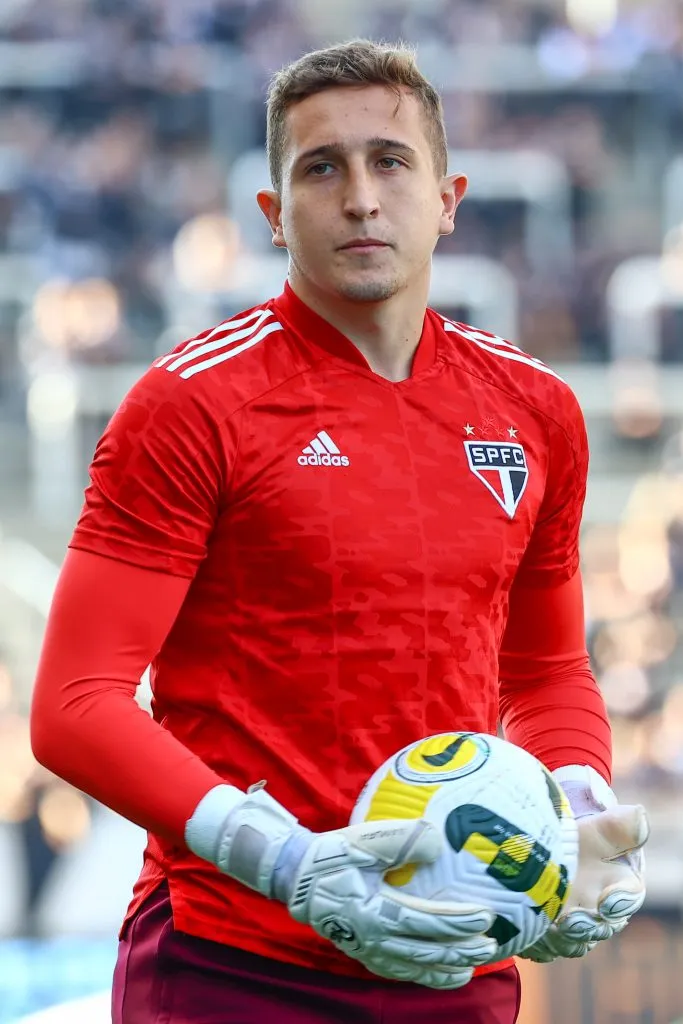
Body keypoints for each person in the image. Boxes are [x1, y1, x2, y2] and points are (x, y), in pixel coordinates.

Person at [29, 39, 649, 1024]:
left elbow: (542, 672)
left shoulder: (535, 409)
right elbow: (73, 702)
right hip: (228, 960)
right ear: (273, 216)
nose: (359, 196)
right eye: (322, 167)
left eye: (388, 161)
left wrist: (573, 804)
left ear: (448, 197)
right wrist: (283, 861)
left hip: (451, 955)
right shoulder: (190, 404)